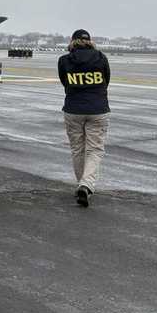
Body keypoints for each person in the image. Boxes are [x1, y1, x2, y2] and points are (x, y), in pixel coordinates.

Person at [58, 29, 111, 207]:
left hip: (73, 108)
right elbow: (106, 80)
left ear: (72, 41)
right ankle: (86, 184)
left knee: (77, 149)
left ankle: (82, 183)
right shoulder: (101, 58)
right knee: (95, 150)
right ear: (90, 41)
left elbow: (64, 82)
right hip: (98, 109)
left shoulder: (64, 60)